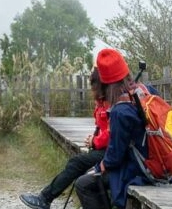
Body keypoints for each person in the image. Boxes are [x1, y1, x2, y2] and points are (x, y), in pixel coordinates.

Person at [74, 48, 158, 209]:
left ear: (105, 82)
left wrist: (99, 168)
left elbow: (114, 156)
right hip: (157, 162)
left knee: (84, 183)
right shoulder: (146, 91)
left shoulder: (120, 111)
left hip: (140, 169)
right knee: (93, 176)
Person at [19, 69, 110, 209]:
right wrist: (95, 137)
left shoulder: (111, 102)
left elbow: (112, 133)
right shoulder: (104, 101)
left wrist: (95, 141)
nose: (91, 90)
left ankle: (45, 198)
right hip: (106, 150)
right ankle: (45, 198)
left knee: (77, 162)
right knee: (78, 163)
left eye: (93, 85)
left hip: (112, 152)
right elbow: (103, 128)